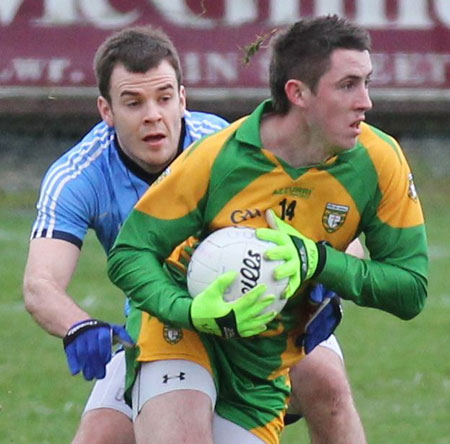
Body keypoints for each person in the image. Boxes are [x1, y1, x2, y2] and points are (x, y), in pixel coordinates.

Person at [22, 23, 366, 444]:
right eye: (133, 102)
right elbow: (40, 284)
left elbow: (343, 235)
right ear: (106, 110)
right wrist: (80, 326)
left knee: (327, 383)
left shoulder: (227, 149)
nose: (153, 114)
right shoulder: (79, 176)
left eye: (165, 98)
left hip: (255, 320)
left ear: (182, 99)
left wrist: (327, 283)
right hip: (161, 321)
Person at [107, 14, 428, 444]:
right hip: (179, 333)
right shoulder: (220, 158)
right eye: (348, 85)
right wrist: (188, 310)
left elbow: (411, 289)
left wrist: (318, 261)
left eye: (367, 82)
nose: (366, 101)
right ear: (298, 93)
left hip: (261, 368)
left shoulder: (379, 161)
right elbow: (130, 252)